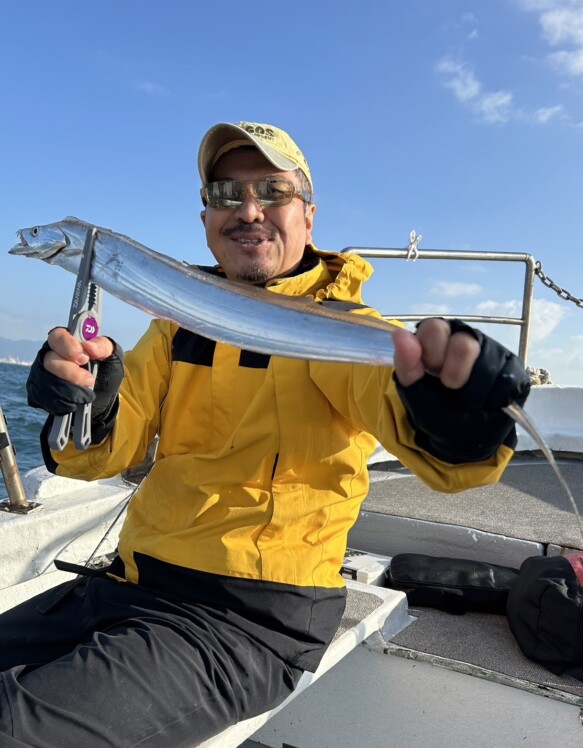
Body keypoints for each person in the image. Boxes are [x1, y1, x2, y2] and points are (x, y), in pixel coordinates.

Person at [0, 121, 530, 746]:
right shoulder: (178, 323)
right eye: (226, 193)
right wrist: (86, 400)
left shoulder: (348, 331)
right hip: (130, 582)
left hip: (248, 619)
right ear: (205, 219)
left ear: (308, 215)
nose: (248, 210)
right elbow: (99, 455)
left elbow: (436, 448)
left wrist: (460, 417)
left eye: (272, 191)